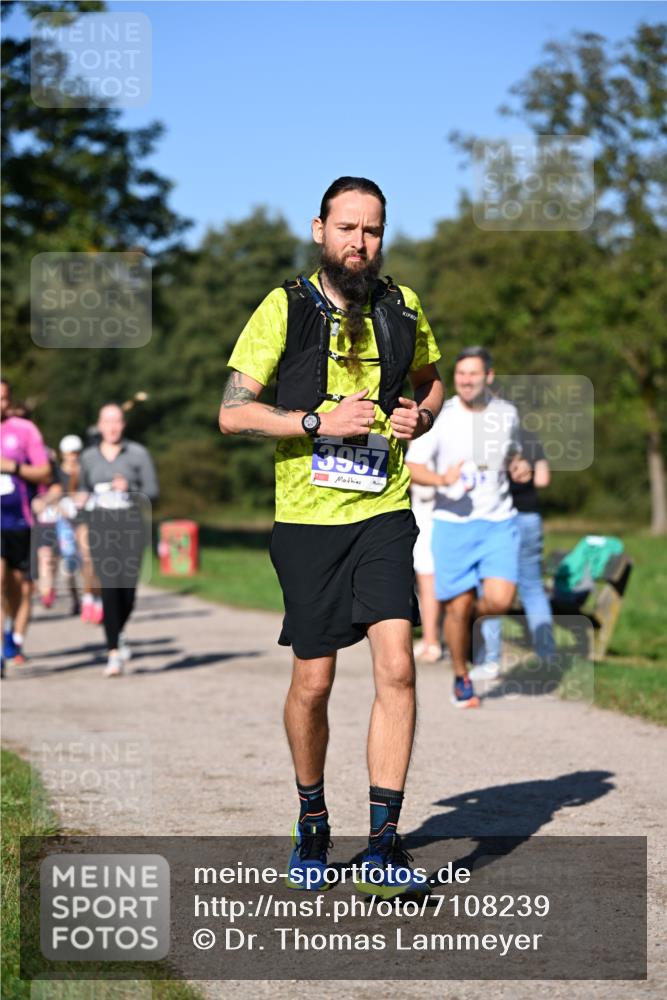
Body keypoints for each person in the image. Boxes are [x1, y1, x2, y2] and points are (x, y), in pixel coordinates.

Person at [219, 177, 443, 897]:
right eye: (346, 228)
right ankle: (311, 815)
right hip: (307, 522)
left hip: (383, 509)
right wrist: (315, 422)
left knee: (398, 668)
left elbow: (429, 383)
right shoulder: (283, 308)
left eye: (372, 230)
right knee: (313, 683)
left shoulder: (402, 307)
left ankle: (383, 841)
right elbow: (232, 413)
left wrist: (420, 416)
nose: (359, 242)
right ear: (320, 230)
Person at [406, 346, 532, 709]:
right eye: (460, 374)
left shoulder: (506, 414)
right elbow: (413, 468)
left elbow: (514, 456)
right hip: (452, 525)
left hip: (498, 523)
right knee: (457, 610)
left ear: (488, 377)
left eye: (473, 374)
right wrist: (443, 478)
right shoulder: (439, 418)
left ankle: (468, 617)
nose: (465, 380)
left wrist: (520, 467)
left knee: (499, 601)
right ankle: (461, 677)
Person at [79, 403, 158, 677]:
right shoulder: (88, 457)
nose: (112, 427)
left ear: (123, 424)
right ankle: (113, 652)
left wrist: (131, 489)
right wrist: (81, 500)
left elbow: (153, 492)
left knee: (128, 592)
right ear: (99, 426)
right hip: (101, 525)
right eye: (107, 422)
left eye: (117, 421)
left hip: (132, 525)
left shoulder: (137, 454)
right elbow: (82, 490)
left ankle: (119, 630)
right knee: (110, 587)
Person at [477, 423, 555, 668]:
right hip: (530, 518)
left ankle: (491, 659)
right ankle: (547, 654)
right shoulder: (529, 436)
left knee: (491, 588)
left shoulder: (485, 438)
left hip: (498, 519)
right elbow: (543, 479)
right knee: (532, 588)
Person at [1, 378, 51, 673]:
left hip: (20, 522)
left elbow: (45, 472)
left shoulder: (24, 430)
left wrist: (14, 467)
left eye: (4, 398)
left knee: (19, 589)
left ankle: (12, 634)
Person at [410, 462, 444, 663]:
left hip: (429, 520)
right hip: (428, 518)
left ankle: (432, 642)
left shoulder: (428, 444)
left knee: (427, 582)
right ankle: (431, 638)